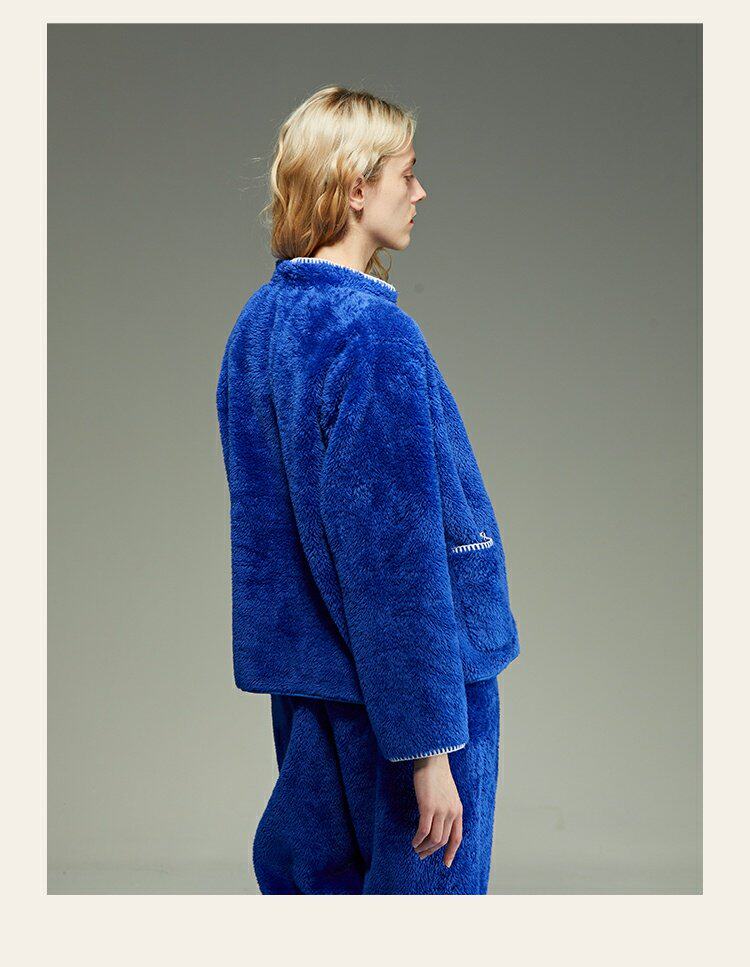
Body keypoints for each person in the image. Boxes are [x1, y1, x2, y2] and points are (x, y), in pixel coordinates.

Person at [216, 85, 520, 894]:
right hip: (411, 697)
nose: (420, 192)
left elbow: (270, 533)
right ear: (356, 186)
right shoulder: (375, 335)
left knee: (318, 899)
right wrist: (429, 750)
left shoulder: (257, 328)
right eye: (406, 173)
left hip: (311, 689)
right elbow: (394, 558)